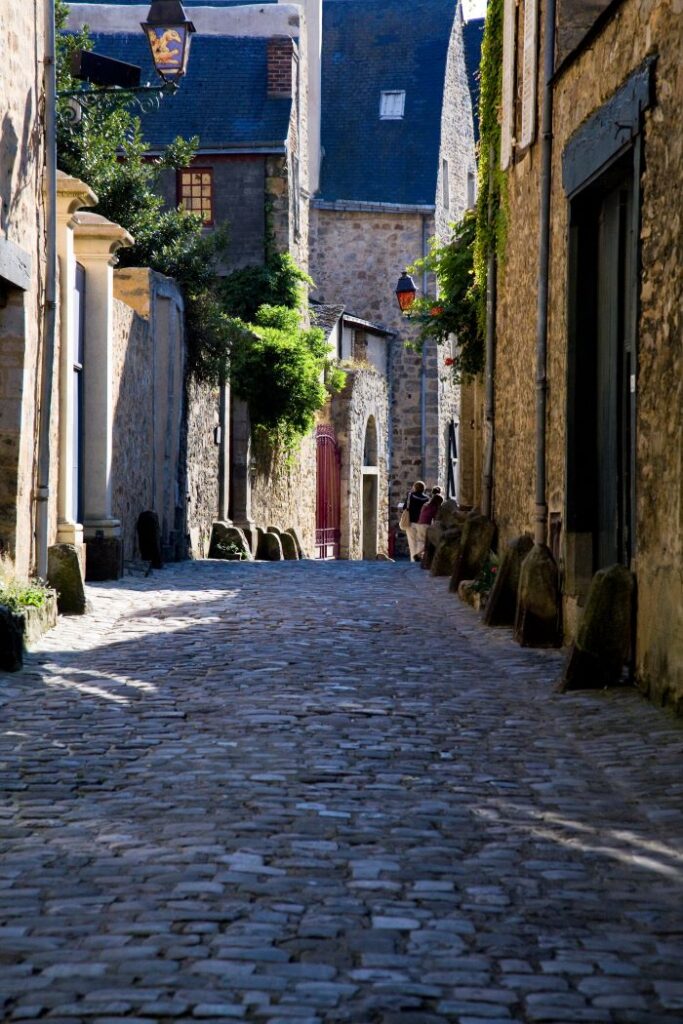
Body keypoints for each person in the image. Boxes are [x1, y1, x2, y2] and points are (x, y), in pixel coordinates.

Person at [402, 480, 429, 561]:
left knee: (412, 542)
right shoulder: (427, 498)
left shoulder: (410, 496)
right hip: (422, 523)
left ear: (415, 488)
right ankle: (419, 558)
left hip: (411, 522)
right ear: (423, 489)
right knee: (421, 541)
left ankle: (413, 560)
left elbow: (405, 507)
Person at [415, 493, 444, 560]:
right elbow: (436, 518)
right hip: (425, 525)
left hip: (419, 524)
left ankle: (419, 555)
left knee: (421, 541)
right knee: (428, 542)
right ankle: (419, 555)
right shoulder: (434, 507)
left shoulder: (425, 505)